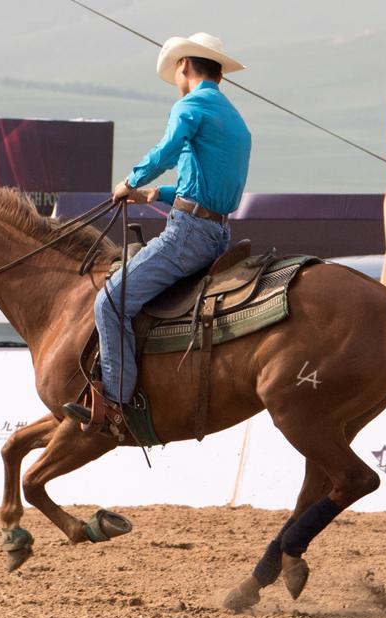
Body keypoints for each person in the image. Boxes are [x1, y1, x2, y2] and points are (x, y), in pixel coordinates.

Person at [63, 32, 252, 435]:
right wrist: (158, 193)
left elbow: (168, 150)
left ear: (184, 65)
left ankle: (115, 402)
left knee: (110, 301)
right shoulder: (233, 117)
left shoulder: (191, 105)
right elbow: (211, 181)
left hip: (189, 233)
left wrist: (131, 180)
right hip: (217, 232)